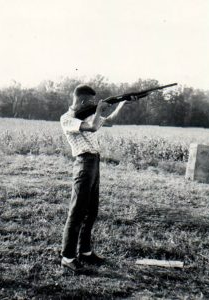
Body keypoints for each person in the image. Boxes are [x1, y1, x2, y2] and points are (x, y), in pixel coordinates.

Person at [60, 84, 134, 272]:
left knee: (91, 211)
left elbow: (108, 121)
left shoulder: (87, 114)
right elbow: (92, 128)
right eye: (91, 102)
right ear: (83, 100)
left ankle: (85, 252)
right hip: (84, 163)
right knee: (77, 212)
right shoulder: (67, 119)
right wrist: (99, 109)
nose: (94, 105)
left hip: (94, 161)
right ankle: (68, 257)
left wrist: (122, 102)